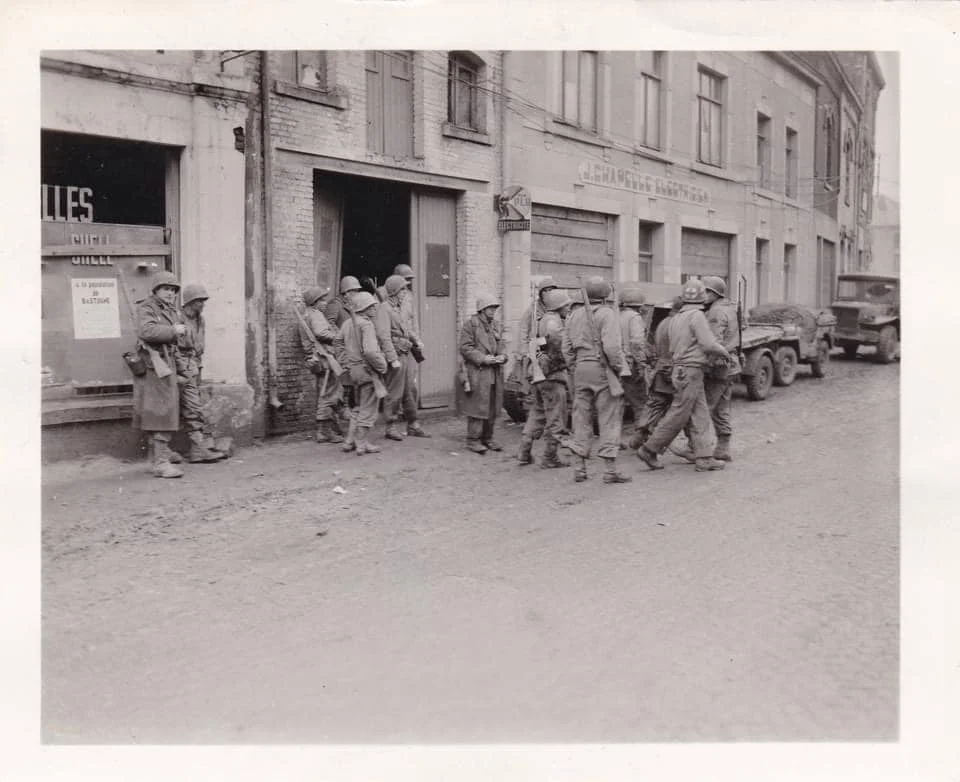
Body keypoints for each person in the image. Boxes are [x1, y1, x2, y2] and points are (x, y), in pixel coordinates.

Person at [636, 279, 732, 473]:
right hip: (692, 370)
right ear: (702, 297)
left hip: (680, 369)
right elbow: (707, 344)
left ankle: (704, 457)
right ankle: (650, 448)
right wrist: (724, 352)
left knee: (700, 413)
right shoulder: (696, 315)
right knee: (679, 413)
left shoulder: (677, 316)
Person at [561, 276, 631, 484]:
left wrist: (576, 366)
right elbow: (612, 348)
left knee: (580, 418)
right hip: (602, 370)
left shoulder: (573, 315)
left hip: (580, 369)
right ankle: (610, 470)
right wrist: (618, 368)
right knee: (609, 417)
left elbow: (566, 348)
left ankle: (579, 468)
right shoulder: (607, 314)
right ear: (605, 294)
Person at [133, 271, 186, 479]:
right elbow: (146, 332)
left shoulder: (169, 310)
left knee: (164, 411)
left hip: (166, 364)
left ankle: (156, 457)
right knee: (161, 413)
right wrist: (173, 331)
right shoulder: (147, 307)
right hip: (154, 367)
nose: (171, 293)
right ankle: (160, 462)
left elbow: (175, 345)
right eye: (166, 289)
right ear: (155, 290)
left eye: (173, 290)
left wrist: (181, 369)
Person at [517, 288, 572, 469]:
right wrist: (568, 360)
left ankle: (524, 452)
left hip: (541, 375)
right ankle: (550, 457)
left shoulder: (543, 320)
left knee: (537, 413)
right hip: (553, 375)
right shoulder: (553, 322)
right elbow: (557, 347)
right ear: (558, 306)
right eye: (566, 305)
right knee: (556, 416)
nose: (568, 307)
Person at [175, 284, 228, 464]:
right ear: (190, 301)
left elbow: (199, 345)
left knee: (195, 405)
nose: (202, 304)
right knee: (191, 407)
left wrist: (197, 366)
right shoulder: (177, 318)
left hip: (195, 364)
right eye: (199, 301)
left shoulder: (200, 319)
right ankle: (197, 449)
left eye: (203, 301)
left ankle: (201, 446)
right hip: (181, 365)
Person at [376, 275, 431, 441]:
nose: (404, 292)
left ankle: (413, 424)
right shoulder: (384, 308)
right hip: (396, 355)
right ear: (394, 292)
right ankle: (390, 426)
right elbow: (383, 336)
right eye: (402, 289)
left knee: (410, 391)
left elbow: (406, 328)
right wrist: (392, 358)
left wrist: (416, 340)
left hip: (405, 353)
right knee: (394, 392)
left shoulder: (399, 307)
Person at [339, 291, 387, 455]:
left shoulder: (347, 324)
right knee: (369, 408)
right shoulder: (366, 325)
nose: (374, 308)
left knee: (358, 406)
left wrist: (346, 363)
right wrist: (382, 366)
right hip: (368, 372)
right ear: (364, 308)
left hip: (354, 371)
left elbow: (338, 344)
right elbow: (371, 352)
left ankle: (349, 441)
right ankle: (362, 443)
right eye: (371, 306)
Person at [459, 293, 508, 454]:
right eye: (490, 308)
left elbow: (501, 344)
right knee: (477, 406)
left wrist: (503, 356)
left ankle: (488, 438)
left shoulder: (496, 325)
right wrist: (483, 358)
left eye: (494, 308)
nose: (493, 311)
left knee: (492, 406)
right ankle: (473, 440)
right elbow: (465, 348)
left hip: (494, 372)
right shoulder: (470, 325)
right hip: (478, 371)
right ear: (481, 309)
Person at [300, 285, 348, 445]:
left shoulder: (309, 314)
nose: (325, 302)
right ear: (315, 302)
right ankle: (324, 432)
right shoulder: (315, 315)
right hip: (324, 359)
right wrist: (338, 337)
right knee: (328, 394)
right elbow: (321, 333)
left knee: (328, 392)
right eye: (322, 299)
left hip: (319, 359)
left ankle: (331, 428)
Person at [701, 276, 740, 462]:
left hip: (718, 366)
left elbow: (713, 343)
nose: (703, 295)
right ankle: (723, 448)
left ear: (715, 293)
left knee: (703, 407)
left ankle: (696, 448)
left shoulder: (715, 312)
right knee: (722, 408)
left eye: (706, 291)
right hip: (730, 365)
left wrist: (705, 365)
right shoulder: (729, 308)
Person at [617, 281, 648, 450]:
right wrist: (642, 364)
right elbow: (637, 343)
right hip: (631, 366)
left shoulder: (616, 316)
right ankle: (640, 439)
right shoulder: (635, 318)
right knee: (640, 403)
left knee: (617, 405)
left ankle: (615, 439)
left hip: (617, 366)